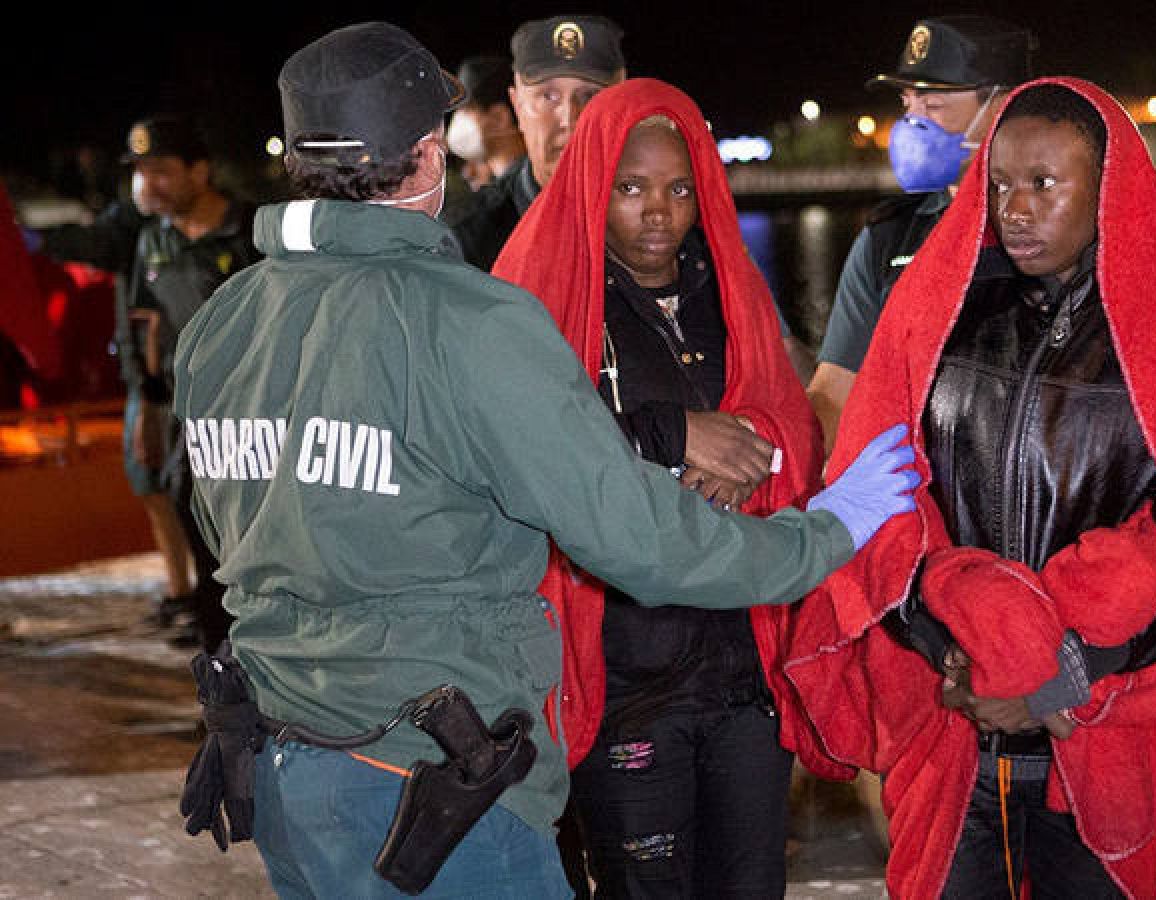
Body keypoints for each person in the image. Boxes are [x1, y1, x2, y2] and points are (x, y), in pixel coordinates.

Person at [171, 21, 919, 898]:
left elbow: (222, 526)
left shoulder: (222, 321)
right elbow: (639, 541)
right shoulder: (470, 321)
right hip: (432, 785)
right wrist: (827, 532)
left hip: (284, 765)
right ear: (425, 160)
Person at [783, 78, 1156, 899]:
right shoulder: (942, 316)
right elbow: (882, 497)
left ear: (1108, 185)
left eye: (1045, 184)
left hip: (1098, 720)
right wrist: (950, 648)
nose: (1016, 208)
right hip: (949, 722)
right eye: (1002, 183)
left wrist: (1062, 676)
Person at [492, 78, 834, 897]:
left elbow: (793, 423)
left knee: (752, 885)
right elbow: (509, 447)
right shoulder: (536, 297)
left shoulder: (731, 292)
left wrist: (752, 449)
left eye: (681, 188)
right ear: (590, 186)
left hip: (742, 662)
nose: (659, 212)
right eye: (632, 189)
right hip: (624, 674)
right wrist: (670, 433)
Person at [32, 116, 256, 646]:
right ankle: (218, 662)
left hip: (254, 420)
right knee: (196, 532)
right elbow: (144, 324)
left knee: (249, 545)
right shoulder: (150, 240)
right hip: (188, 422)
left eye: (161, 170)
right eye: (138, 172)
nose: (146, 184)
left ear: (200, 171)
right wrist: (148, 406)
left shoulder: (251, 232)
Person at [807, 15, 1034, 451]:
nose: (911, 123)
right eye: (909, 103)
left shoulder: (1056, 237)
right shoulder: (887, 239)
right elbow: (835, 390)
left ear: (1003, 107)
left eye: (933, 106)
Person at [447, 14, 625, 270]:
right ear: (517, 106)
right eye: (549, 96)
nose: (569, 119)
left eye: (591, 96)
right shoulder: (470, 244)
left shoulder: (661, 226)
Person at [446, 55, 524, 191]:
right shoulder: (503, 190)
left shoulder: (528, 189)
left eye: (466, 110)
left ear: (499, 118)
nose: (458, 120)